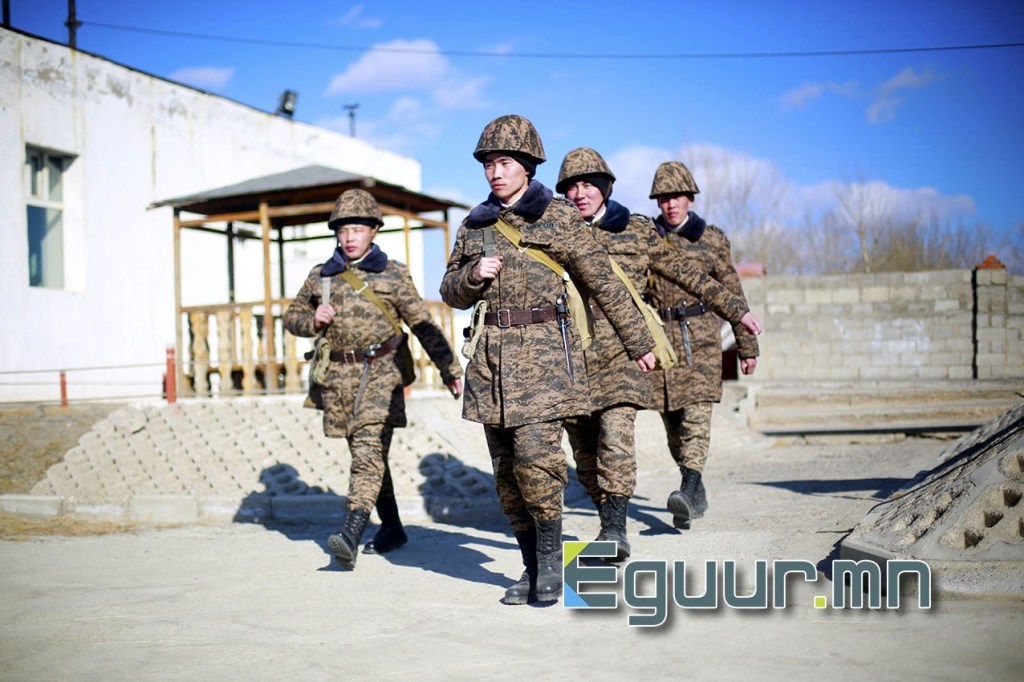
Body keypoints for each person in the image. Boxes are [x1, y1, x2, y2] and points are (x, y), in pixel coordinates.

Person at [440, 116, 655, 605]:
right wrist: (473, 274)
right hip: (491, 362)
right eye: (490, 164)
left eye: (506, 163)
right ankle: (530, 567)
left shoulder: (558, 217)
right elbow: (449, 289)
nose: (496, 173)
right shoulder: (475, 224)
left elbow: (604, 280)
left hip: (545, 361)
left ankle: (553, 562)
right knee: (507, 472)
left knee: (539, 462)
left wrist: (639, 342)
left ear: (528, 166)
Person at [556, 147, 762, 560]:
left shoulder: (634, 230)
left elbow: (686, 271)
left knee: (618, 435)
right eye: (572, 187)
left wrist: (737, 313)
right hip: (572, 357)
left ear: (605, 188)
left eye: (588, 186)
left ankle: (616, 529)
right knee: (585, 454)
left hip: (627, 352)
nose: (580, 194)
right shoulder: (555, 230)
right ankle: (610, 514)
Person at [283, 188, 463, 569]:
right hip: (337, 380)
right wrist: (312, 320)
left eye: (358, 229)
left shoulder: (393, 273)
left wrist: (449, 369)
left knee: (366, 453)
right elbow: (291, 317)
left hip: (382, 373)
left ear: (374, 231)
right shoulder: (321, 276)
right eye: (343, 229)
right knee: (368, 454)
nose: (349, 237)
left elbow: (422, 324)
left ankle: (350, 532)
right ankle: (393, 527)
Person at [647, 161, 761, 530]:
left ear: (690, 198)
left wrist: (747, 346)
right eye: (663, 198)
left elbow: (731, 290)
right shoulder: (648, 239)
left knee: (696, 416)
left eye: (676, 197)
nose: (670, 204)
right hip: (663, 340)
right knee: (674, 426)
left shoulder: (711, 239)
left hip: (701, 338)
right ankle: (695, 491)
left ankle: (688, 486)